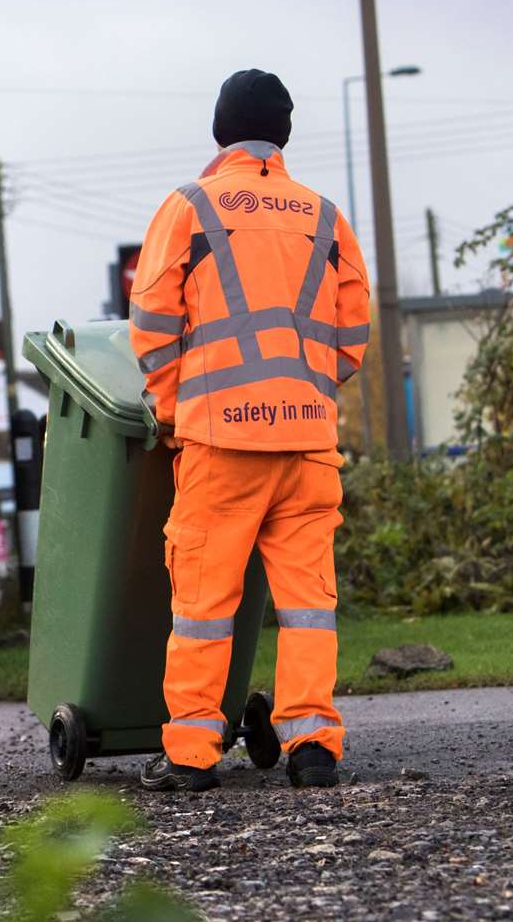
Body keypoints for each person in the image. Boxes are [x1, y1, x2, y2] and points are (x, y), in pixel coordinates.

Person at [128, 69, 371, 792]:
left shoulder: (189, 206)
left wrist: (176, 405)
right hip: (305, 444)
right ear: (284, 134)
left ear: (218, 131)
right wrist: (302, 389)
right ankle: (312, 749)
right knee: (306, 606)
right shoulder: (324, 216)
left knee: (204, 605)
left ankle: (192, 756)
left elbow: (150, 320)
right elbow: (352, 333)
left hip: (219, 445)